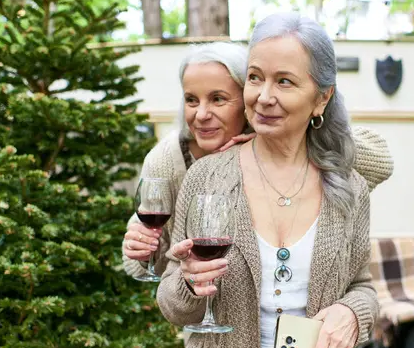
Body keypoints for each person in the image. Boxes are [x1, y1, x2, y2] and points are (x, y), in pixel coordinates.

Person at [156, 12, 385, 348]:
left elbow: (363, 286)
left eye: (284, 82)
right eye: (255, 78)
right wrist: (188, 281)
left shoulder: (349, 188)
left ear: (321, 98)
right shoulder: (206, 178)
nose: (264, 97)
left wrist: (353, 312)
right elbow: (173, 306)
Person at [122, 41, 393, 280]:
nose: (201, 114)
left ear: (247, 99)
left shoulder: (273, 141)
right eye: (191, 100)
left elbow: (380, 160)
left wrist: (290, 137)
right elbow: (147, 266)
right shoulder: (168, 161)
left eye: (218, 99)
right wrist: (141, 247)